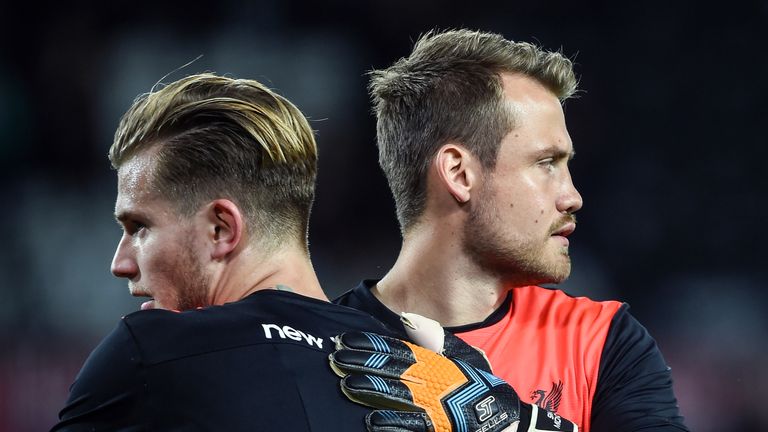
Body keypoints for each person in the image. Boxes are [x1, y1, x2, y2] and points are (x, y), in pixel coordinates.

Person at [51, 72, 564, 432]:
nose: (120, 261)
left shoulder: (149, 354)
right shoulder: (431, 378)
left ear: (220, 229)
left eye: (139, 226)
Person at [334, 29, 690, 432]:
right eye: (546, 163)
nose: (572, 196)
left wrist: (514, 425)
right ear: (459, 173)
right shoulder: (322, 345)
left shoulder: (601, 339)